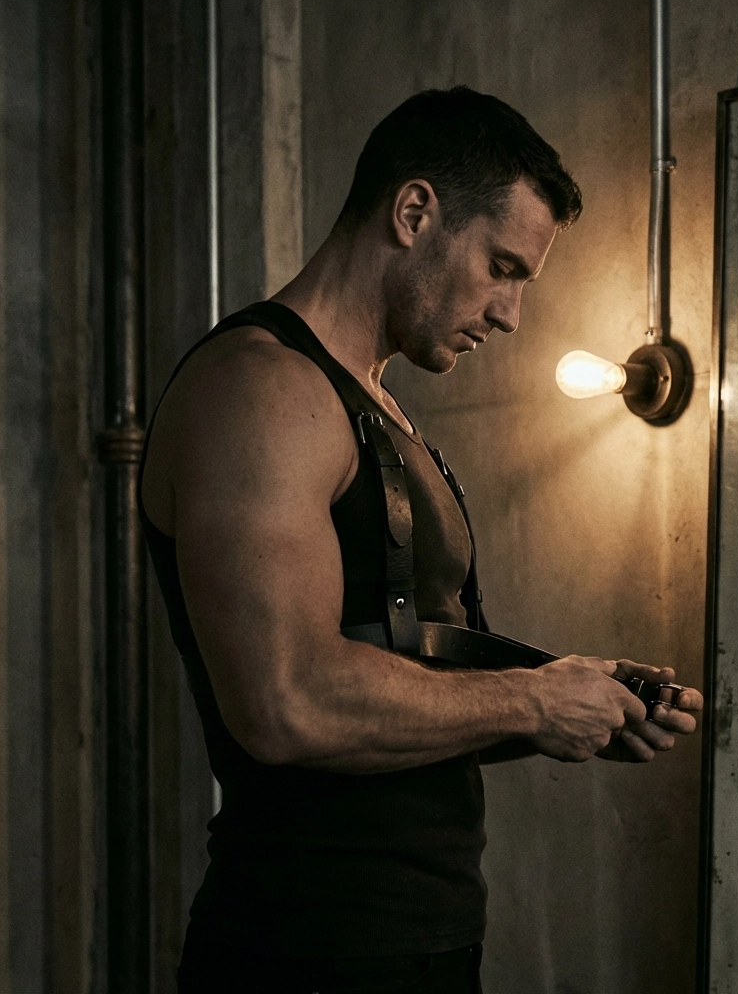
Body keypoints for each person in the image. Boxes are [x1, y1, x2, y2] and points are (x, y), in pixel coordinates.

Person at [140, 86, 703, 994]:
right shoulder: (261, 390)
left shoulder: (378, 408)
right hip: (307, 951)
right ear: (414, 212)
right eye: (503, 266)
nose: (513, 313)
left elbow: (404, 687)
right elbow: (287, 703)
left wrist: (581, 701)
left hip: (418, 943)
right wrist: (529, 702)